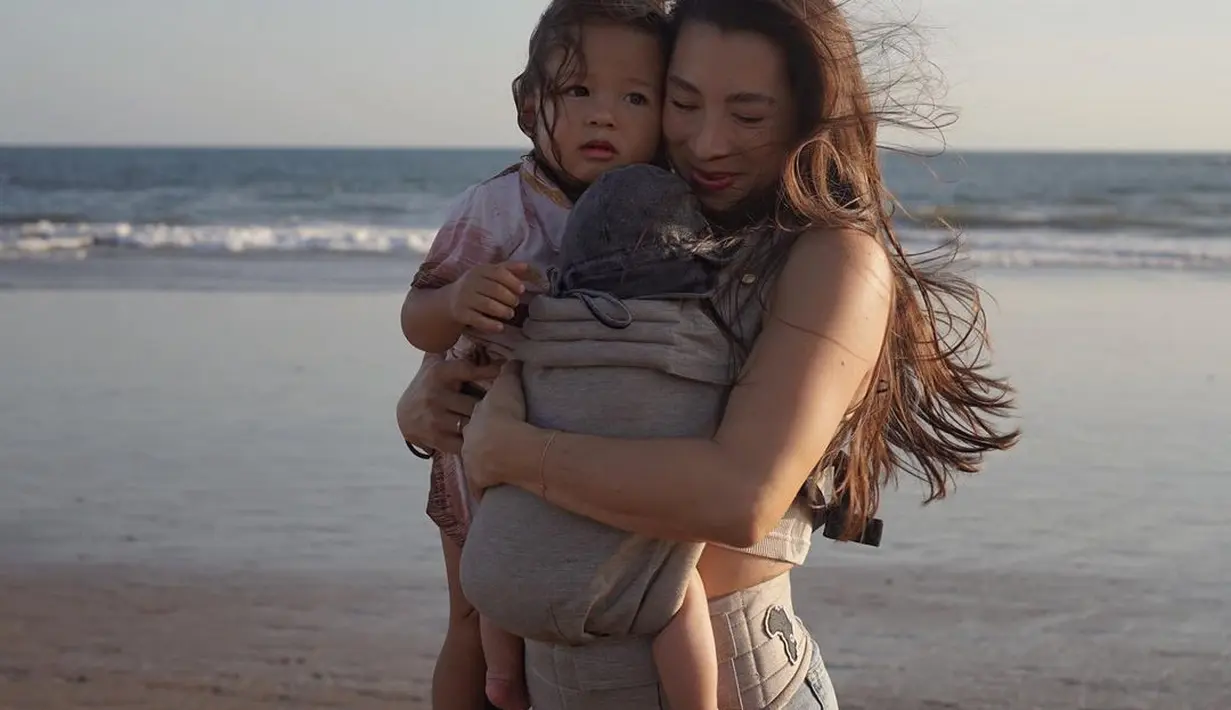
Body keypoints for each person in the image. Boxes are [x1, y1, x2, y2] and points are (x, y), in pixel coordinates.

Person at [449, 0, 1021, 708]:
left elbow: (737, 496)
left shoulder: (830, 262)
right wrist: (435, 400)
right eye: (682, 103)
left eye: (748, 116)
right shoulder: (610, 232)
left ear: (809, 118)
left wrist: (512, 453)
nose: (707, 143)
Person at [397, 3, 723, 708]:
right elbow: (416, 318)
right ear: (526, 105)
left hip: (604, 451)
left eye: (633, 96)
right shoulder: (496, 209)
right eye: (578, 91)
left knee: (618, 600)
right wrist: (456, 304)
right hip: (484, 453)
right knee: (475, 613)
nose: (603, 115)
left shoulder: (667, 213)